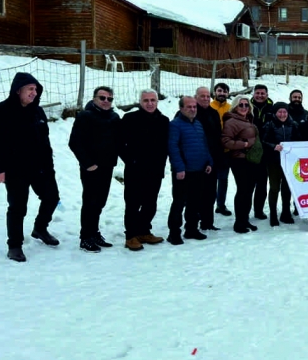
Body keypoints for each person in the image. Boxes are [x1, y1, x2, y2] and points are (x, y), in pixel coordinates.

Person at [0, 73, 60, 262]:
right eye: (30, 89)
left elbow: (45, 142)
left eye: (36, 89)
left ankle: (40, 228)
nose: (34, 93)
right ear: (18, 90)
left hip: (40, 167)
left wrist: (49, 167)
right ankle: (15, 245)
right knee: (18, 207)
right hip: (14, 169)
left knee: (52, 197)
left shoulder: (38, 112)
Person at [69, 85, 120, 253]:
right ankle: (86, 237)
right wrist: (88, 163)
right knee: (90, 201)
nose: (106, 101)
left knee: (100, 202)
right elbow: (75, 142)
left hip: (107, 166)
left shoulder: (114, 117)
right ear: (94, 99)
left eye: (109, 99)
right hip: (91, 168)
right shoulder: (85, 116)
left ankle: (94, 232)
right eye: (102, 98)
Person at [119, 89, 169, 251]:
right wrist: (131, 161)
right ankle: (131, 236)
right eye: (146, 100)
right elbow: (119, 144)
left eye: (152, 100)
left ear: (157, 102)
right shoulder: (130, 119)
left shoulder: (163, 120)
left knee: (150, 203)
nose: (149, 103)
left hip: (155, 170)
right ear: (140, 102)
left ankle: (144, 231)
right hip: (135, 170)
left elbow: (165, 146)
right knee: (133, 204)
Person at [166, 96, 213, 245]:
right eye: (189, 107)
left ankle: (191, 229)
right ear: (181, 108)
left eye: (194, 107)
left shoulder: (198, 124)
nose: (192, 109)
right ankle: (174, 233)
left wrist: (209, 161)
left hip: (199, 170)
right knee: (179, 203)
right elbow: (172, 147)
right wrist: (179, 168)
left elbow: (204, 145)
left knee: (195, 202)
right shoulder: (175, 125)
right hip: (183, 172)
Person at [222, 95, 260, 234]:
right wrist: (243, 144)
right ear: (235, 106)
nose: (244, 107)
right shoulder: (231, 121)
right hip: (239, 160)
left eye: (246, 105)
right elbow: (225, 141)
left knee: (249, 190)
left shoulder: (248, 120)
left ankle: (245, 219)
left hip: (250, 159)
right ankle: (239, 222)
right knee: (243, 190)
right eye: (240, 105)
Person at [261, 102, 300, 226]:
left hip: (289, 162)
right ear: (275, 112)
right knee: (274, 187)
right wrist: (273, 146)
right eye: (279, 112)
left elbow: (298, 140)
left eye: (284, 112)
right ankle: (273, 213)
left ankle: (286, 212)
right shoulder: (269, 124)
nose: (282, 114)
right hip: (274, 162)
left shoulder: (293, 124)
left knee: (286, 188)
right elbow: (263, 141)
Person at [195, 86, 224, 232]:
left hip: (212, 160)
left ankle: (208, 221)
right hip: (196, 160)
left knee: (210, 193)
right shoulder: (191, 111)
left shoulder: (213, 113)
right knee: (196, 194)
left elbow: (218, 135)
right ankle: (193, 223)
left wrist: (218, 157)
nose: (206, 98)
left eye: (207, 96)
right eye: (202, 96)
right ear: (196, 97)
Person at [250, 84, 273, 220]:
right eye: (257, 93)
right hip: (249, 150)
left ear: (267, 94)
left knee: (262, 183)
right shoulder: (246, 107)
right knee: (248, 184)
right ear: (253, 94)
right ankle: (244, 210)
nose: (260, 95)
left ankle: (258, 210)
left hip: (266, 151)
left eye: (262, 93)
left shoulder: (272, 108)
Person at [211, 82, 233, 216]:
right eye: (219, 91)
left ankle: (221, 204)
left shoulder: (231, 108)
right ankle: (208, 203)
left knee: (223, 179)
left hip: (226, 150)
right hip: (212, 149)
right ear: (215, 92)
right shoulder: (209, 107)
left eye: (225, 92)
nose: (222, 94)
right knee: (210, 179)